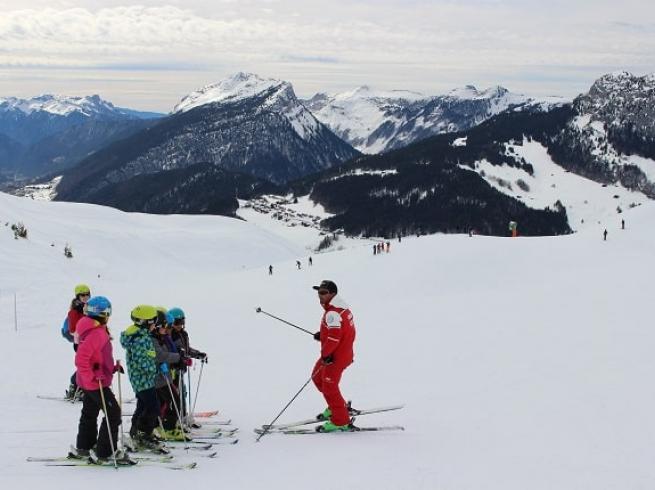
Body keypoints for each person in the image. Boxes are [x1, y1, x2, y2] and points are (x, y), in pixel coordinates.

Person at [70, 296, 129, 464]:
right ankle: (105, 452)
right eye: (107, 312)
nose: (109, 316)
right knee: (114, 413)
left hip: (90, 381)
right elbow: (81, 359)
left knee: (89, 413)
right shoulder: (96, 332)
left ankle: (84, 447)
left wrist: (111, 368)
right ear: (101, 313)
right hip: (96, 383)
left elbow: (97, 357)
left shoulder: (90, 328)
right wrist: (93, 377)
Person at [311, 280, 356, 432]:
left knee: (329, 387)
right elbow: (340, 332)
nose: (320, 296)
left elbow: (334, 338)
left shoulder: (332, 313)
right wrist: (322, 335)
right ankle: (336, 406)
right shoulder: (341, 309)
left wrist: (326, 354)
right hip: (340, 353)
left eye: (324, 293)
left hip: (335, 357)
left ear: (333, 294)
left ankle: (340, 421)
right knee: (317, 378)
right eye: (319, 292)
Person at [120, 305, 162, 450]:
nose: (155, 325)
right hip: (143, 379)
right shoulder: (140, 339)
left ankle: (135, 431)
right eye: (154, 322)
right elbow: (141, 361)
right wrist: (153, 369)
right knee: (153, 407)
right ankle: (144, 434)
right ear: (147, 322)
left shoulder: (140, 336)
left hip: (141, 379)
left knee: (143, 405)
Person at [169, 307, 207, 426]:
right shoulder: (170, 335)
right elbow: (171, 352)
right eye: (177, 323)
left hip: (181, 369)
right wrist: (179, 359)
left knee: (182, 393)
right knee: (175, 394)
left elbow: (186, 350)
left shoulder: (183, 334)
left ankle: (183, 416)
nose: (180, 325)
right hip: (172, 370)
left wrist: (198, 354)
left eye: (182, 322)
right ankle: (174, 419)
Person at [65, 284, 91, 400]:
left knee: (91, 365)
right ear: (77, 296)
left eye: (87, 294)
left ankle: (82, 388)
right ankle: (74, 386)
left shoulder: (91, 308)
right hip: (80, 343)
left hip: (92, 342)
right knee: (86, 365)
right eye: (82, 295)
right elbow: (73, 330)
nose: (85, 297)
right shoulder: (74, 312)